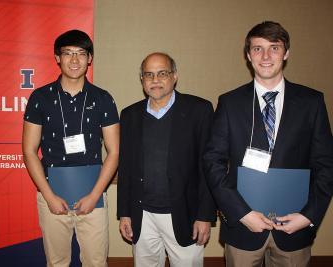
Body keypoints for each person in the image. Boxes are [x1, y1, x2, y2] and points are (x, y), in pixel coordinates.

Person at [203, 21, 333, 267]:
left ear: (286, 53)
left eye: (274, 48)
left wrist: (308, 216)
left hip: (294, 229)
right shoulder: (229, 103)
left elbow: (326, 164)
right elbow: (213, 163)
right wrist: (241, 213)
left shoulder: (312, 102)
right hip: (244, 227)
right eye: (257, 48)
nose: (265, 56)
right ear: (248, 55)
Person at [22, 29, 119, 267]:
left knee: (96, 262)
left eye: (81, 53)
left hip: (93, 197)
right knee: (57, 262)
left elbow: (114, 152)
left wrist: (95, 194)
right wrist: (49, 195)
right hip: (52, 195)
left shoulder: (103, 98)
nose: (74, 60)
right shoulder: (40, 98)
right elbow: (29, 150)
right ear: (57, 57)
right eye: (67, 53)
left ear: (90, 58)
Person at [117, 52, 216, 267]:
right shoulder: (129, 115)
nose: (155, 80)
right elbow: (125, 168)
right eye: (148, 74)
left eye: (162, 73)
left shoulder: (200, 110)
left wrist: (205, 216)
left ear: (175, 76)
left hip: (186, 214)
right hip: (142, 215)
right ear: (142, 79)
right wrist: (124, 213)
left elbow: (208, 167)